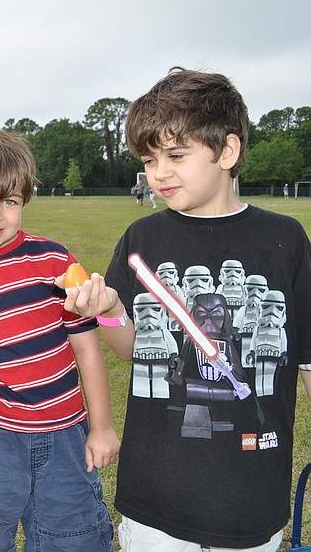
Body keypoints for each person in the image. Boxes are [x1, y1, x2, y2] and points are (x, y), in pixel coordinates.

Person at [62, 68, 311, 551]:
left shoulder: (284, 241)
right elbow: (134, 351)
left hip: (250, 495)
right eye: (150, 160)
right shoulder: (142, 239)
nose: (159, 174)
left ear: (228, 152)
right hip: (157, 494)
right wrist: (111, 309)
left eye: (176, 155)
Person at [0, 128, 118, 551]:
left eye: (9, 201)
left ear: (24, 200)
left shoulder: (53, 261)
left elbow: (86, 348)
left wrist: (102, 427)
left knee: (73, 539)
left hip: (67, 436)